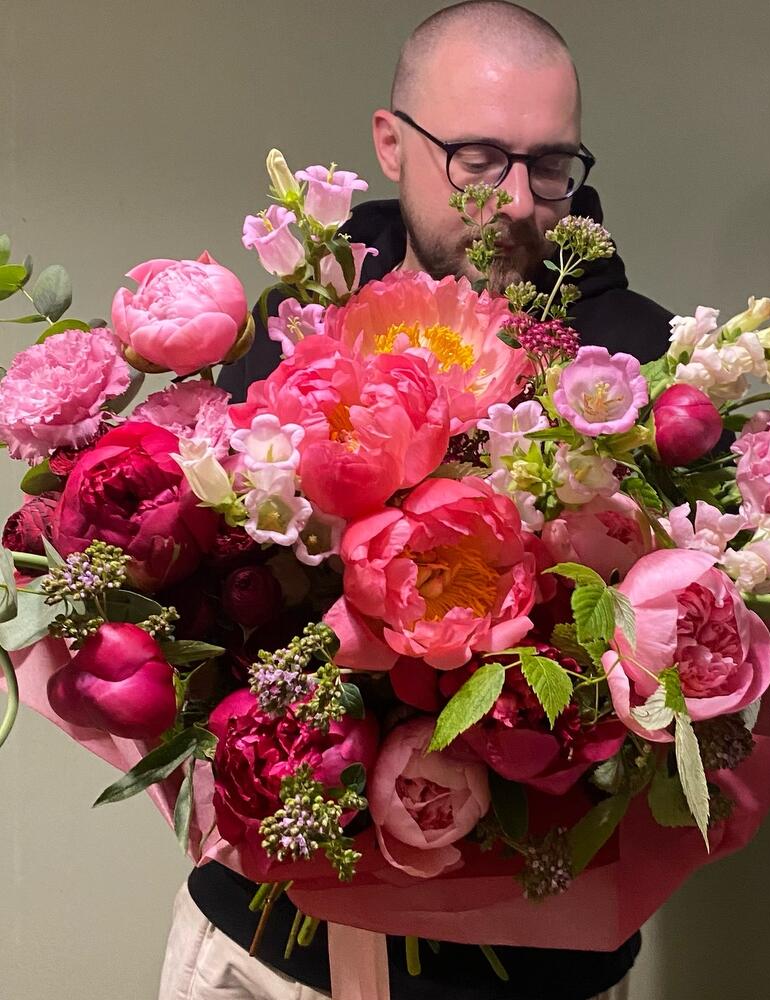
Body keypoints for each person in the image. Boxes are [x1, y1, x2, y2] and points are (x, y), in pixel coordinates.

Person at [160, 3, 674, 998]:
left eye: (551, 166)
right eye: (477, 160)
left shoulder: (631, 365)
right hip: (262, 950)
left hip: (533, 966)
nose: (515, 202)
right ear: (391, 144)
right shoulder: (300, 313)